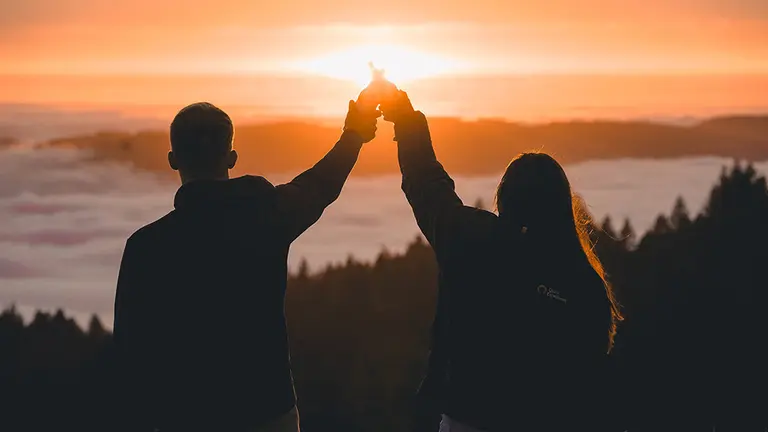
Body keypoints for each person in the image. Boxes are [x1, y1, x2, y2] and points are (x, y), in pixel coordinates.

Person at [113, 98, 379, 432]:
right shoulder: (267, 215)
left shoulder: (145, 248)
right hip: (269, 412)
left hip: (184, 417)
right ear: (232, 158)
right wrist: (353, 134)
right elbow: (321, 184)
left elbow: (130, 358)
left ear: (173, 160)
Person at [375, 89, 623, 432]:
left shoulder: (471, 240)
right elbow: (592, 372)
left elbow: (427, 185)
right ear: (562, 205)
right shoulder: (582, 281)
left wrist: (406, 118)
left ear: (503, 198)